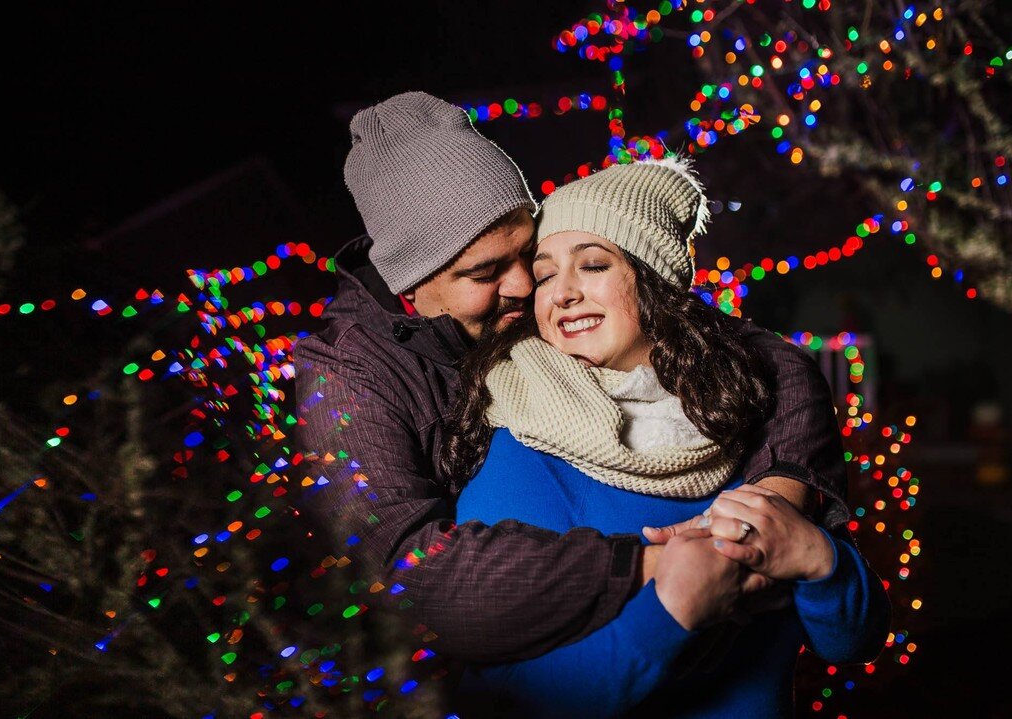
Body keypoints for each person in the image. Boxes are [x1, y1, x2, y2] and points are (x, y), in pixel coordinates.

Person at [294, 91, 852, 670]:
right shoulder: (346, 377)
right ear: (409, 285)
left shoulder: (538, 307)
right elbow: (404, 573)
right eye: (485, 273)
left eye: (528, 255)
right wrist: (650, 565)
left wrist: (780, 492)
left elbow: (746, 350)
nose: (524, 286)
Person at [446, 159, 890, 717]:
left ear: (654, 279)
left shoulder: (746, 418)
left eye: (592, 265)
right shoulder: (520, 443)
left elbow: (851, 640)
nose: (562, 293)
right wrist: (672, 610)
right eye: (545, 275)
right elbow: (504, 695)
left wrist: (820, 558)